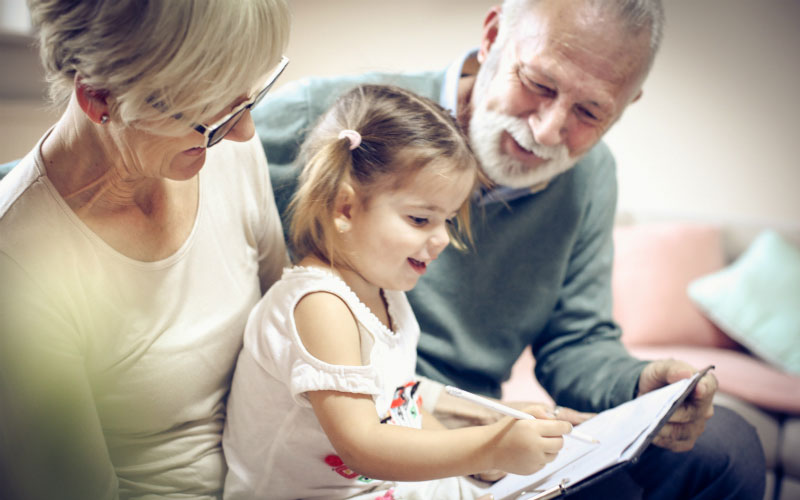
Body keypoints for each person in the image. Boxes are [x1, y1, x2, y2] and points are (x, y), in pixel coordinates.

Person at [254, 0, 766, 498]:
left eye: (589, 112)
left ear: (625, 105)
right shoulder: (336, 124)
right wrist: (486, 443)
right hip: (398, 447)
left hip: (456, 436)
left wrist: (640, 386)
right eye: (539, 85)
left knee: (727, 446)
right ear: (493, 36)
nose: (547, 130)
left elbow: (577, 341)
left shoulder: (590, 179)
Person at [222, 83, 574, 500]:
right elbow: (362, 447)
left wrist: (485, 458)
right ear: (345, 208)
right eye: (421, 219)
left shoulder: (386, 297)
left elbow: (400, 409)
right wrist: (489, 447)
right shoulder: (319, 305)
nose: (442, 239)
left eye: (447, 220)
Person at [0, 1, 290, 498]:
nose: (244, 131)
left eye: (249, 99)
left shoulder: (225, 150)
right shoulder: (19, 265)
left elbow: (291, 327)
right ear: (98, 98)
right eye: (212, 112)